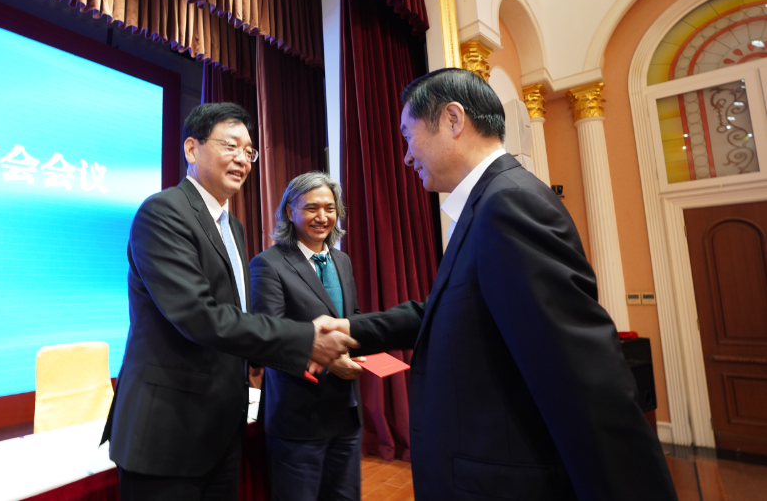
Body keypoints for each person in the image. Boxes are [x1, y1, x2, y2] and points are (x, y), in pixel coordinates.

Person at [338, 69, 678, 501]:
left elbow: (584, 378)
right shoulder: (490, 202)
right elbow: (450, 310)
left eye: (409, 136)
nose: (407, 156)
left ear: (453, 119)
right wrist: (350, 330)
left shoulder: (508, 203)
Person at [101, 102, 357, 501]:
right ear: (192, 149)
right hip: (169, 430)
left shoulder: (232, 226)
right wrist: (305, 340)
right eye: (230, 146)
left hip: (221, 427)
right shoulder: (163, 212)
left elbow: (239, 317)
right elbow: (199, 316)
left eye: (249, 151)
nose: (242, 159)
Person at [250, 172, 365, 501]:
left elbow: (352, 317)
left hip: (346, 411)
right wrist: (329, 362)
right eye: (311, 208)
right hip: (298, 418)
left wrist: (361, 349)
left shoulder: (341, 260)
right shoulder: (268, 265)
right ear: (290, 211)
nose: (322, 217)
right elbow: (268, 340)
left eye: (330, 208)